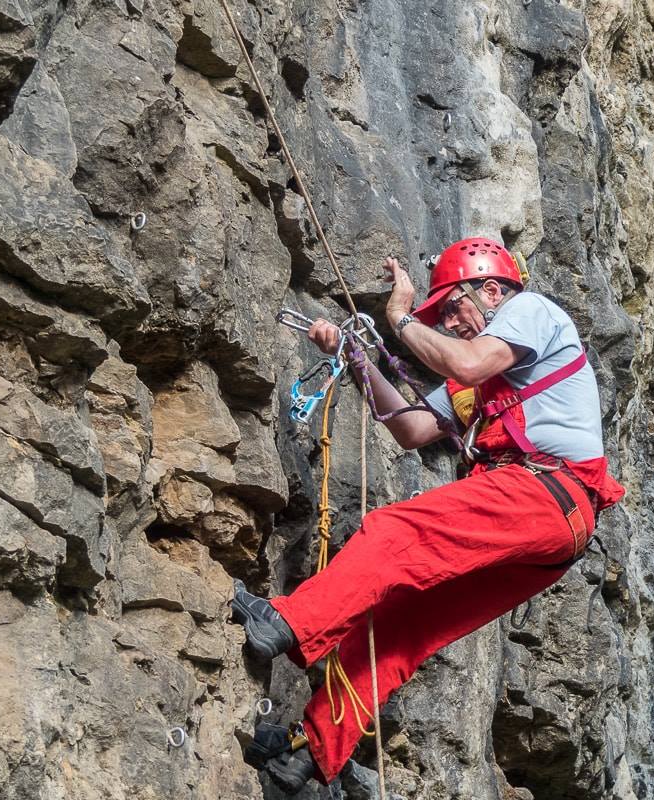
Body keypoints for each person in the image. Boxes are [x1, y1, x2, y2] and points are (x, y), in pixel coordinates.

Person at [231, 237, 625, 793]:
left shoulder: (531, 312)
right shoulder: (483, 384)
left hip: (542, 492)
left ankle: (286, 621)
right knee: (399, 628)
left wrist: (398, 317)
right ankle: (313, 751)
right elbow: (412, 428)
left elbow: (464, 360)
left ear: (491, 289)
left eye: (453, 308)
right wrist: (355, 358)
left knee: (395, 531)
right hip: (554, 530)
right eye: (441, 316)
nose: (451, 323)